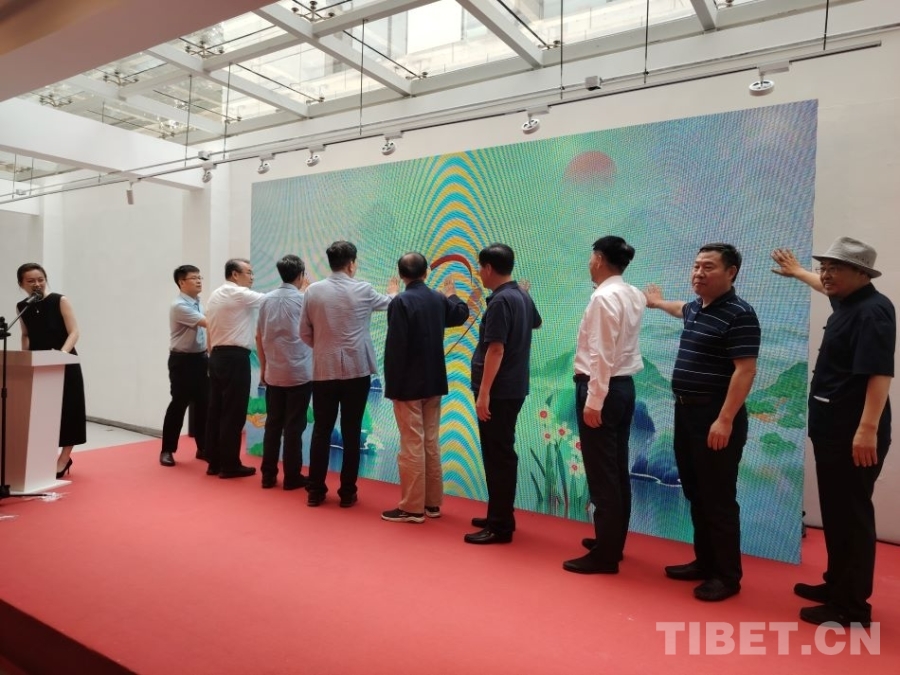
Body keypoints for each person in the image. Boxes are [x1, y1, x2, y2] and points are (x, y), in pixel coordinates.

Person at [771, 239, 894, 627]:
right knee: (838, 514)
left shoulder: (873, 312)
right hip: (833, 429)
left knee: (852, 518)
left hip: (853, 435)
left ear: (861, 273)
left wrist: (867, 430)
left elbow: (880, 373)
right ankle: (837, 585)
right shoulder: (849, 301)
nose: (825, 274)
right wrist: (798, 272)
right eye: (823, 267)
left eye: (834, 268)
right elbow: (823, 287)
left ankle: (851, 607)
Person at [644, 243, 760, 601]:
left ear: (731, 272)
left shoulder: (740, 314)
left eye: (708, 267)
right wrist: (657, 303)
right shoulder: (697, 308)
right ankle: (705, 562)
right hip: (686, 414)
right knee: (695, 490)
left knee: (718, 497)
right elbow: (680, 308)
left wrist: (724, 420)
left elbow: (745, 370)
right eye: (696, 266)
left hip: (716, 417)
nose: (698, 273)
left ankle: (726, 576)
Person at [563, 237, 645, 574]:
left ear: (598, 258)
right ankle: (612, 542)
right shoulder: (633, 293)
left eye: (590, 258)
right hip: (624, 388)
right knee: (616, 468)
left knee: (602, 474)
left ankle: (606, 555)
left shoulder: (603, 298)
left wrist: (594, 400)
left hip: (603, 389)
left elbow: (601, 354)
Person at [300, 241, 398, 507]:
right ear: (352, 264)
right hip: (357, 370)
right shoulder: (363, 289)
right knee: (352, 431)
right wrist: (393, 292)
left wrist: (323, 348)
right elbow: (390, 304)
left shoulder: (313, 291)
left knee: (321, 431)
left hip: (324, 370)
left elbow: (304, 332)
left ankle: (315, 491)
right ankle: (347, 492)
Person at [381, 252, 469, 523]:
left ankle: (412, 507)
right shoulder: (439, 299)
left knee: (412, 444)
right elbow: (461, 314)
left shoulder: (400, 302)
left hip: (407, 384)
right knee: (430, 442)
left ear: (401, 275)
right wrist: (452, 295)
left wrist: (392, 387)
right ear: (426, 273)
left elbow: (395, 348)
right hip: (433, 381)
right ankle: (431, 503)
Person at [465, 243, 542, 545]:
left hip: (499, 392)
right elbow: (537, 322)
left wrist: (484, 393)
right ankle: (499, 514)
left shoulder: (500, 301)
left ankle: (500, 526)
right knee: (500, 454)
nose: (478, 273)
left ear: (488, 268)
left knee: (498, 456)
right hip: (513, 387)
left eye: (479, 267)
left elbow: (495, 349)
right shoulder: (520, 294)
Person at [16, 263, 86, 478]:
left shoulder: (59, 300)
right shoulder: (22, 307)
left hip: (64, 363)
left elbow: (74, 331)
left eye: (41, 279)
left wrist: (62, 354)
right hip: (39, 365)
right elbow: (26, 335)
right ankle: (43, 456)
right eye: (31, 281)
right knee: (42, 413)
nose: (37, 284)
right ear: (21, 284)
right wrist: (25, 358)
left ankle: (64, 458)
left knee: (69, 410)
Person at [256, 255, 313, 491]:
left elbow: (259, 336)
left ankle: (268, 475)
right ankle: (292, 476)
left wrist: (263, 367)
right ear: (300, 275)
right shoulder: (304, 300)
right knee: (294, 428)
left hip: (274, 373)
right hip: (299, 373)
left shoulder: (265, 300)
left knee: (273, 425)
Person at [205, 258, 266, 479]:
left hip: (217, 356)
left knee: (217, 410)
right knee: (234, 411)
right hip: (234, 358)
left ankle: (214, 462)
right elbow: (269, 301)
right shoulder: (238, 293)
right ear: (234, 274)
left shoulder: (215, 295)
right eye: (248, 272)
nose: (252, 277)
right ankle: (230, 465)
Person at [160, 265, 208, 467]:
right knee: (179, 404)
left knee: (204, 404)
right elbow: (208, 323)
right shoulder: (179, 305)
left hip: (200, 359)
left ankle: (203, 448)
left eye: (200, 277)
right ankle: (167, 450)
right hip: (182, 361)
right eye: (194, 278)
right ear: (181, 282)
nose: (199, 281)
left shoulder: (198, 303)